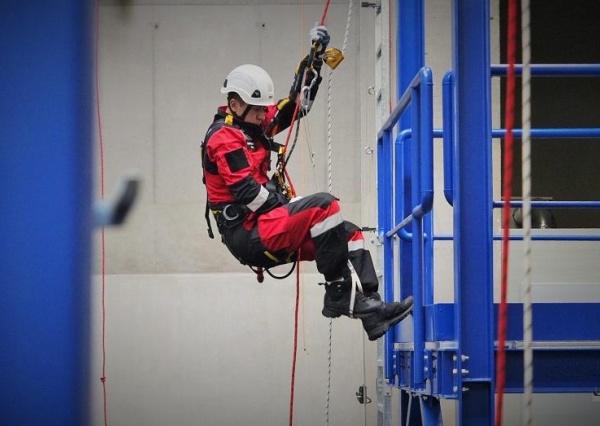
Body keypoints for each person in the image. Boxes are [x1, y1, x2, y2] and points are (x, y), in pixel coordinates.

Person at [200, 24, 413, 341]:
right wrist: (290, 212)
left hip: (267, 225)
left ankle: (370, 307)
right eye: (258, 110)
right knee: (325, 206)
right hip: (249, 233)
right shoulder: (224, 139)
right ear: (234, 105)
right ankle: (338, 294)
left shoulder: (251, 126)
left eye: (263, 109)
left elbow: (295, 107)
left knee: (348, 233)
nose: (264, 116)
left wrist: (312, 63)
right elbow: (247, 192)